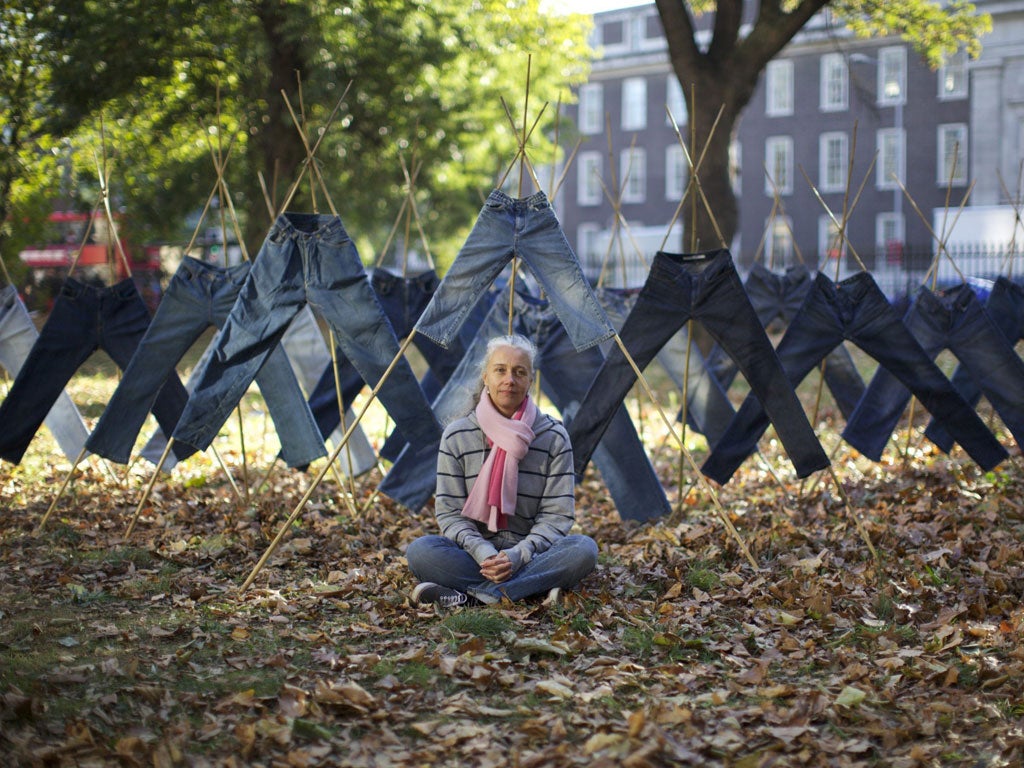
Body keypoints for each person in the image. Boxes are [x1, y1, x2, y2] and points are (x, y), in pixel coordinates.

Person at [406, 333, 598, 607]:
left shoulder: (554, 436)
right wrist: (484, 553)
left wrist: (519, 554)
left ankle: (473, 597)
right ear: (486, 377)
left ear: (530, 381)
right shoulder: (457, 435)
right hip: (473, 555)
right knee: (421, 551)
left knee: (583, 550)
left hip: (531, 553)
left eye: (520, 372)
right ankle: (528, 591)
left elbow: (557, 515)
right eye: (500, 370)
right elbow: (449, 513)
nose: (510, 380)